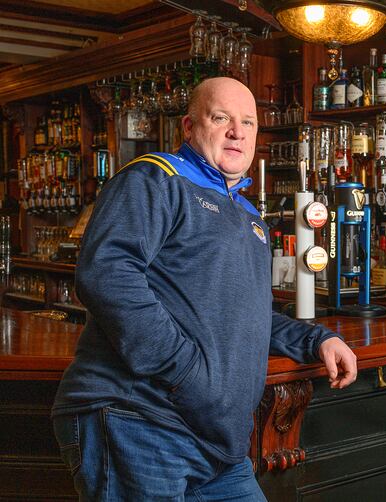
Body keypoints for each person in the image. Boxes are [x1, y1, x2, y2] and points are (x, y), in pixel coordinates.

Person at [51, 77, 357, 501]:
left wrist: (316, 339)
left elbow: (247, 315)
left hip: (218, 443)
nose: (237, 131)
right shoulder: (156, 179)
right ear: (189, 128)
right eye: (221, 118)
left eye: (248, 123)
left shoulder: (249, 217)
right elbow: (108, 275)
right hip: (141, 422)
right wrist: (187, 373)